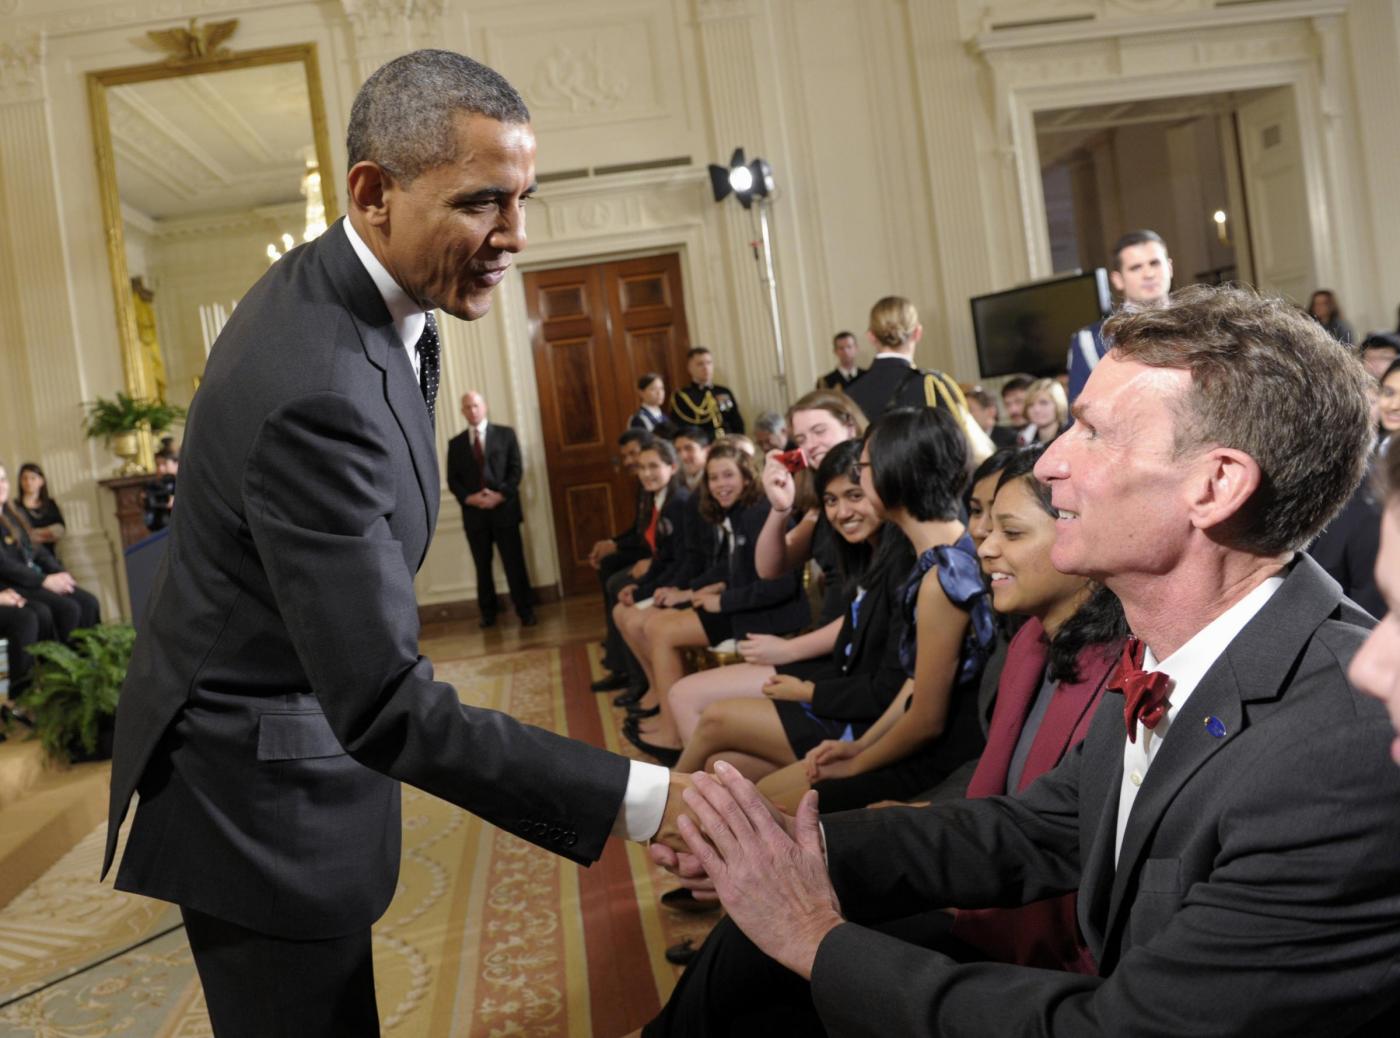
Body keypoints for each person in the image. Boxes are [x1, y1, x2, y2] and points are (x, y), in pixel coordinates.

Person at [102, 51, 689, 1038]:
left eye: (524, 199)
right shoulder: (313, 387)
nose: (515, 237)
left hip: (288, 734)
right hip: (255, 798)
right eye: (482, 204)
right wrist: (641, 797)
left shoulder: (372, 290)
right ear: (373, 193)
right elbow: (382, 702)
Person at [648, 285, 1400, 1038]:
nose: (1048, 465)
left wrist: (817, 942)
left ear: (1215, 485)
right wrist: (790, 846)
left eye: (1091, 433)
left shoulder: (1339, 746)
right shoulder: (1172, 645)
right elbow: (1040, 827)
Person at [624, 442, 809, 763]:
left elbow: (779, 587)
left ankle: (673, 734)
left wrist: (721, 601)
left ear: (747, 478)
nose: (720, 485)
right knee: (658, 625)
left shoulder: (760, 513)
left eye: (728, 476)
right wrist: (692, 590)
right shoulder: (739, 513)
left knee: (662, 630)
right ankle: (671, 723)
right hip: (741, 603)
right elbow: (735, 567)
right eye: (713, 478)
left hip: (763, 614)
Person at [845, 296, 993, 462]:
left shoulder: (848, 395)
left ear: (871, 337)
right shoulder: (933, 385)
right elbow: (965, 449)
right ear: (917, 332)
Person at [446, 390, 536, 628]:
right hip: (475, 516)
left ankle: (525, 610)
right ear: (462, 411)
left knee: (514, 564)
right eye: (467, 407)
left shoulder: (506, 435)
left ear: (484, 407)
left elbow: (516, 470)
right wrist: (471, 499)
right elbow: (453, 480)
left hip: (504, 511)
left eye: (475, 405)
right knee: (482, 567)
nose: (472, 411)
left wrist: (500, 495)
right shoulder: (455, 444)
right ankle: (488, 614)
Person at [1066, 229, 1171, 402]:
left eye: (1155, 263)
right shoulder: (1091, 341)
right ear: (1117, 280)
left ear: (1169, 267)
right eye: (1136, 267)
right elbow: (1079, 415)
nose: (1149, 274)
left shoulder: (1202, 323)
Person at [0, 464, 100, 643]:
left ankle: (91, 666)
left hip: (33, 579)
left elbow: (37, 550)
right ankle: (64, 668)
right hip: (14, 584)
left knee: (89, 602)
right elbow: (5, 565)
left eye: (3, 480)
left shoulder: (13, 513)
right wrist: (44, 580)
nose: (1, 486)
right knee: (68, 608)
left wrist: (59, 572)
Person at [671, 346, 744, 435]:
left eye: (709, 363)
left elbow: (736, 421)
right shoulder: (682, 396)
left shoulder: (723, 392)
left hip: (728, 441)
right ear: (690, 368)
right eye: (700, 364)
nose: (706, 367)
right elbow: (683, 427)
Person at [15, 462, 65, 564]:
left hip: (51, 556)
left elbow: (59, 529)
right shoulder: (15, 506)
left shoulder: (50, 504)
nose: (28, 482)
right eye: (25, 478)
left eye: (33, 478)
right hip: (26, 560)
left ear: (41, 481)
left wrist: (34, 533)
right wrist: (47, 533)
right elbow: (18, 535)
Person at [1018, 377, 1070, 445]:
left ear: (1058, 404)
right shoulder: (1024, 441)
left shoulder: (1071, 437)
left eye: (1043, 403)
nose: (1036, 409)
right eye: (1030, 404)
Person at [141, 441, 179, 532]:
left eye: (164, 464)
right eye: (158, 465)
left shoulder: (184, 483)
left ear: (177, 463)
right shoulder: (153, 486)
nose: (160, 469)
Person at [673, 424, 711, 490]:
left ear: (706, 451)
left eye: (689, 448)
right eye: (677, 451)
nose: (682, 456)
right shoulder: (675, 483)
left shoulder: (715, 481)